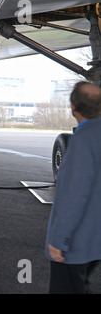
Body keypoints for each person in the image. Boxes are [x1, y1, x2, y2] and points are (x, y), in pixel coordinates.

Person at [45, 81, 101, 293]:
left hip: (76, 244)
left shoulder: (82, 141)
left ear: (73, 107)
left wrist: (59, 240)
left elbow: (74, 196)